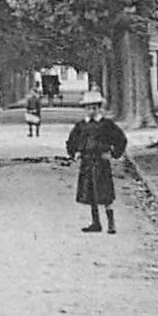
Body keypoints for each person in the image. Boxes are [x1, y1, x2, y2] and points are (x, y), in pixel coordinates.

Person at [65, 88, 127, 233]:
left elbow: (121, 139)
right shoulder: (81, 126)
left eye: (94, 107)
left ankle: (111, 224)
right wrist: (74, 153)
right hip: (87, 161)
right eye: (88, 108)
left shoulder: (106, 125)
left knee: (105, 193)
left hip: (101, 162)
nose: (91, 111)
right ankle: (95, 223)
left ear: (99, 108)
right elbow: (72, 140)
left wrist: (113, 153)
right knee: (90, 192)